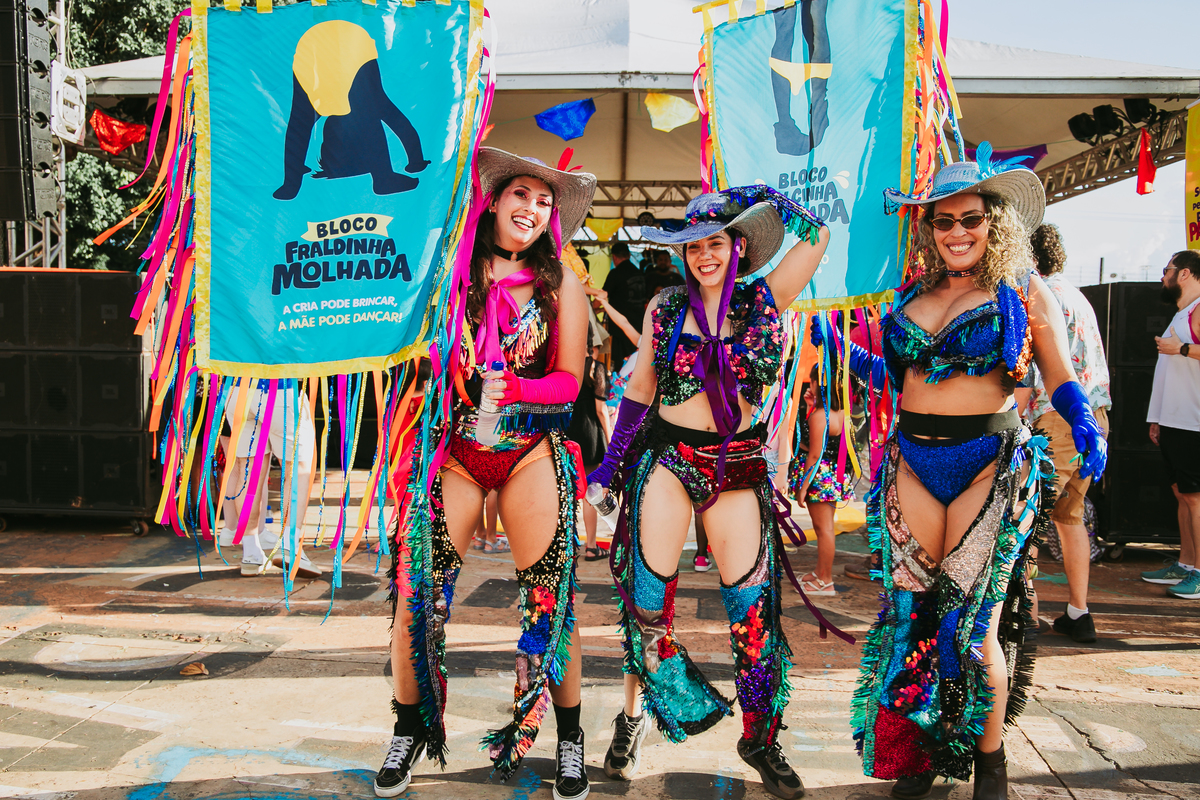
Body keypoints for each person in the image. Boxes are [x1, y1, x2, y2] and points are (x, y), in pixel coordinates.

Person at [831, 150, 1107, 800]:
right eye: (944, 221)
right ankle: (920, 751)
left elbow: (1059, 372)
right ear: (928, 227)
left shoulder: (1021, 289)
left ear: (994, 222)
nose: (957, 232)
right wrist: (839, 348)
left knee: (972, 625)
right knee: (912, 619)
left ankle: (990, 760)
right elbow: (899, 378)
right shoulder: (909, 293)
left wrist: (1082, 421)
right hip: (913, 463)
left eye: (971, 220)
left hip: (990, 465)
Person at [588, 187, 830, 799]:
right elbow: (640, 389)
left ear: (737, 245)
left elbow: (819, 234)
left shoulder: (765, 298)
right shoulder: (666, 306)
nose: (704, 255)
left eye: (715, 242)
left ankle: (760, 738)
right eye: (693, 245)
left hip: (737, 465)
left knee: (752, 611)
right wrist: (609, 467)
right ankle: (633, 717)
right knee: (646, 604)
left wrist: (753, 200)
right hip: (668, 457)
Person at [376, 148, 596, 800]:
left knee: (552, 603)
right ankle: (409, 728)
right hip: (456, 451)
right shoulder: (447, 273)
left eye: (545, 201)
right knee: (416, 596)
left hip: (529, 450)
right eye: (521, 194)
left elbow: (570, 381)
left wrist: (520, 390)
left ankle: (570, 738)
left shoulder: (561, 285)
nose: (532, 209)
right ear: (495, 200)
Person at [1020, 224, 1111, 642]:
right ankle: (1078, 611)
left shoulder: (1039, 296)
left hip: (1055, 418)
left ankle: (1026, 614)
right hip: (1095, 418)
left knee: (1025, 517)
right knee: (1069, 516)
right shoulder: (1078, 296)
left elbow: (1036, 370)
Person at [1143, 250, 1200, 600]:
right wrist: (1157, 418)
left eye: (1167, 270)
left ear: (1185, 273)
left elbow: (1181, 355)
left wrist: (1181, 349)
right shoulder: (1182, 312)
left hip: (1193, 421)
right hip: (1174, 421)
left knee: (1195, 498)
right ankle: (1186, 563)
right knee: (1183, 495)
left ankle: (1199, 573)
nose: (1163, 277)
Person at [221, 379, 320, 579]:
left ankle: (251, 552)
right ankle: (289, 546)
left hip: (238, 389)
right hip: (281, 388)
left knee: (248, 468)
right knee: (297, 468)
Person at [789, 362, 856, 597]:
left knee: (824, 529)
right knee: (824, 528)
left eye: (813, 380)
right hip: (833, 474)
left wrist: (803, 487)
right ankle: (820, 572)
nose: (810, 384)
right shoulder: (841, 412)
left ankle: (825, 581)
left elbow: (814, 454)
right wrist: (811, 406)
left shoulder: (821, 416)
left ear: (821, 383)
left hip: (819, 477)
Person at [568, 331, 611, 561]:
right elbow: (601, 410)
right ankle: (591, 547)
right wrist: (612, 441)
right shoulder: (596, 368)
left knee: (566, 490)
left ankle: (566, 545)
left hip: (567, 434)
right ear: (592, 346)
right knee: (589, 492)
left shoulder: (565, 368)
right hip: (590, 435)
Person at [602, 241, 646, 368]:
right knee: (638, 359)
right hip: (639, 323)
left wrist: (594, 306)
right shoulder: (639, 273)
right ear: (628, 255)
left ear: (614, 257)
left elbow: (603, 294)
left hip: (620, 326)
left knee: (621, 363)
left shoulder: (615, 273)